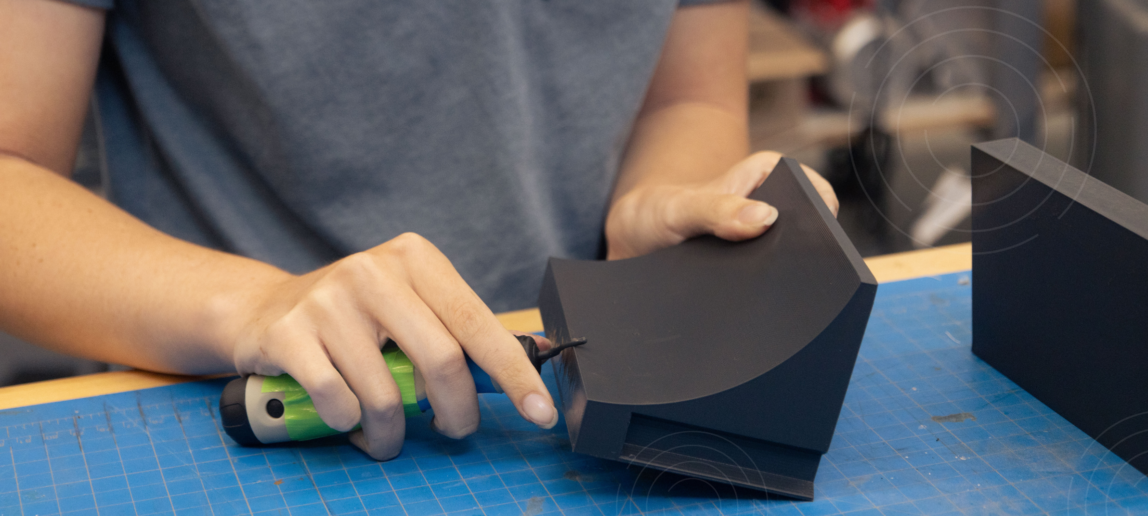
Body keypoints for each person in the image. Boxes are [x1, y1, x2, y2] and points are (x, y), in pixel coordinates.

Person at [0, 0, 837, 460]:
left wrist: (652, 208)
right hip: (231, 399)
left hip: (553, 404)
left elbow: (689, 99)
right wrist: (258, 306)